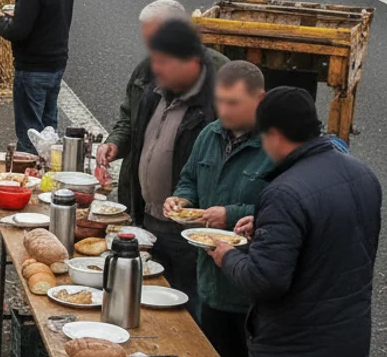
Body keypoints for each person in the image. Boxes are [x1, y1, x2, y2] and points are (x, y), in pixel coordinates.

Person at [210, 88, 381, 357]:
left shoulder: (284, 193)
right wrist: (271, 224)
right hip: (350, 336)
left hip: (294, 344)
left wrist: (228, 256)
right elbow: (333, 233)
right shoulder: (362, 174)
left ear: (275, 134)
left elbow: (265, 280)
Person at [101, 19, 218, 316]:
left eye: (165, 62)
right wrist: (116, 144)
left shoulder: (213, 106)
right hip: (150, 223)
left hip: (188, 234)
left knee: (187, 312)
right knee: (151, 309)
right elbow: (134, 130)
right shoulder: (153, 92)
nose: (156, 69)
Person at [164, 61, 272, 357]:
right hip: (210, 282)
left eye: (233, 103)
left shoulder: (277, 146)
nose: (223, 110)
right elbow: (189, 180)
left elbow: (286, 211)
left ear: (260, 99)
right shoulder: (210, 134)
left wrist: (231, 214)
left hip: (253, 293)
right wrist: (182, 200)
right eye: (219, 101)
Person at [100, 0, 228, 181]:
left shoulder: (220, 75)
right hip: (143, 203)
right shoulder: (145, 71)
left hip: (184, 205)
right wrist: (115, 143)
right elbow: (129, 120)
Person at [0, 0, 74, 154]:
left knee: (30, 133)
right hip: (56, 64)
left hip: (33, 67)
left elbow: (18, 32)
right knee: (49, 130)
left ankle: (29, 176)